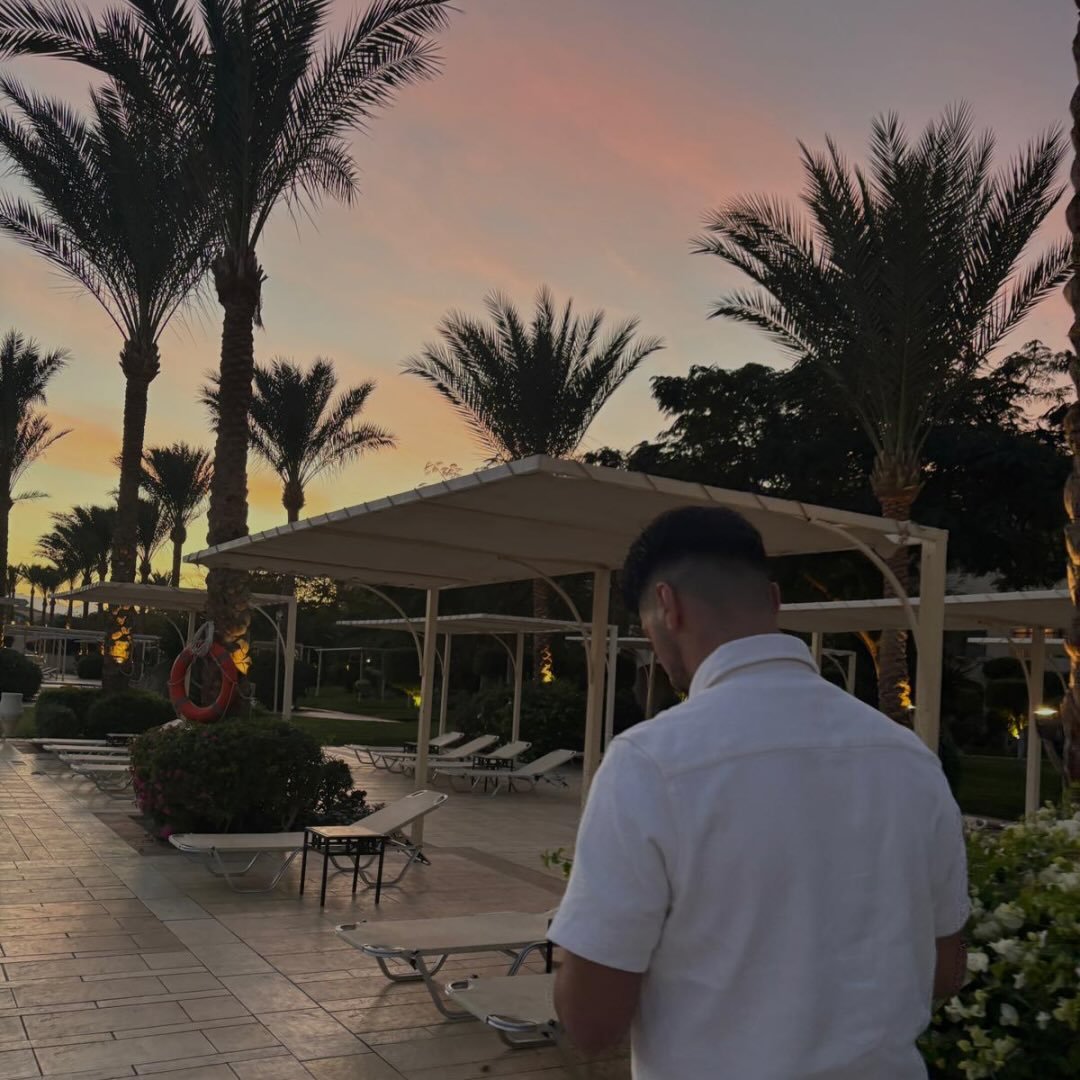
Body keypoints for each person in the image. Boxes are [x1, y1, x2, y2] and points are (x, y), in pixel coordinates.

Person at [547, 506, 969, 1079]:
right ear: (773, 600)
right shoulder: (909, 758)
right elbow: (944, 972)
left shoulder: (650, 763)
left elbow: (591, 1023)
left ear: (667, 606)